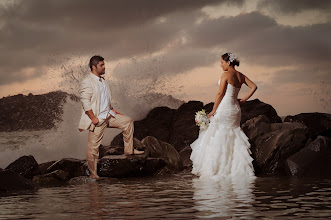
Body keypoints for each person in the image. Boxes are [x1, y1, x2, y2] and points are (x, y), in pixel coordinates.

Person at [190, 52, 257, 179]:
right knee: (233, 136)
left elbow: (220, 93)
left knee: (218, 136)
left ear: (228, 62)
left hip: (225, 108)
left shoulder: (226, 74)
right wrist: (243, 100)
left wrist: (213, 110)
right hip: (236, 110)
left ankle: (217, 169)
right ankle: (234, 169)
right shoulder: (240, 75)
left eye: (222, 62)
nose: (220, 65)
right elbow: (254, 87)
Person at [78, 55, 144, 179]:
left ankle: (129, 150)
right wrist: (93, 118)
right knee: (93, 148)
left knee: (128, 121)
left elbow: (104, 98)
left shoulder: (103, 81)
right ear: (94, 67)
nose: (104, 67)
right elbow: (85, 102)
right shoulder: (87, 81)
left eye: (104, 64)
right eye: (101, 65)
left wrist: (112, 109)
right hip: (98, 119)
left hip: (108, 115)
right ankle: (93, 174)